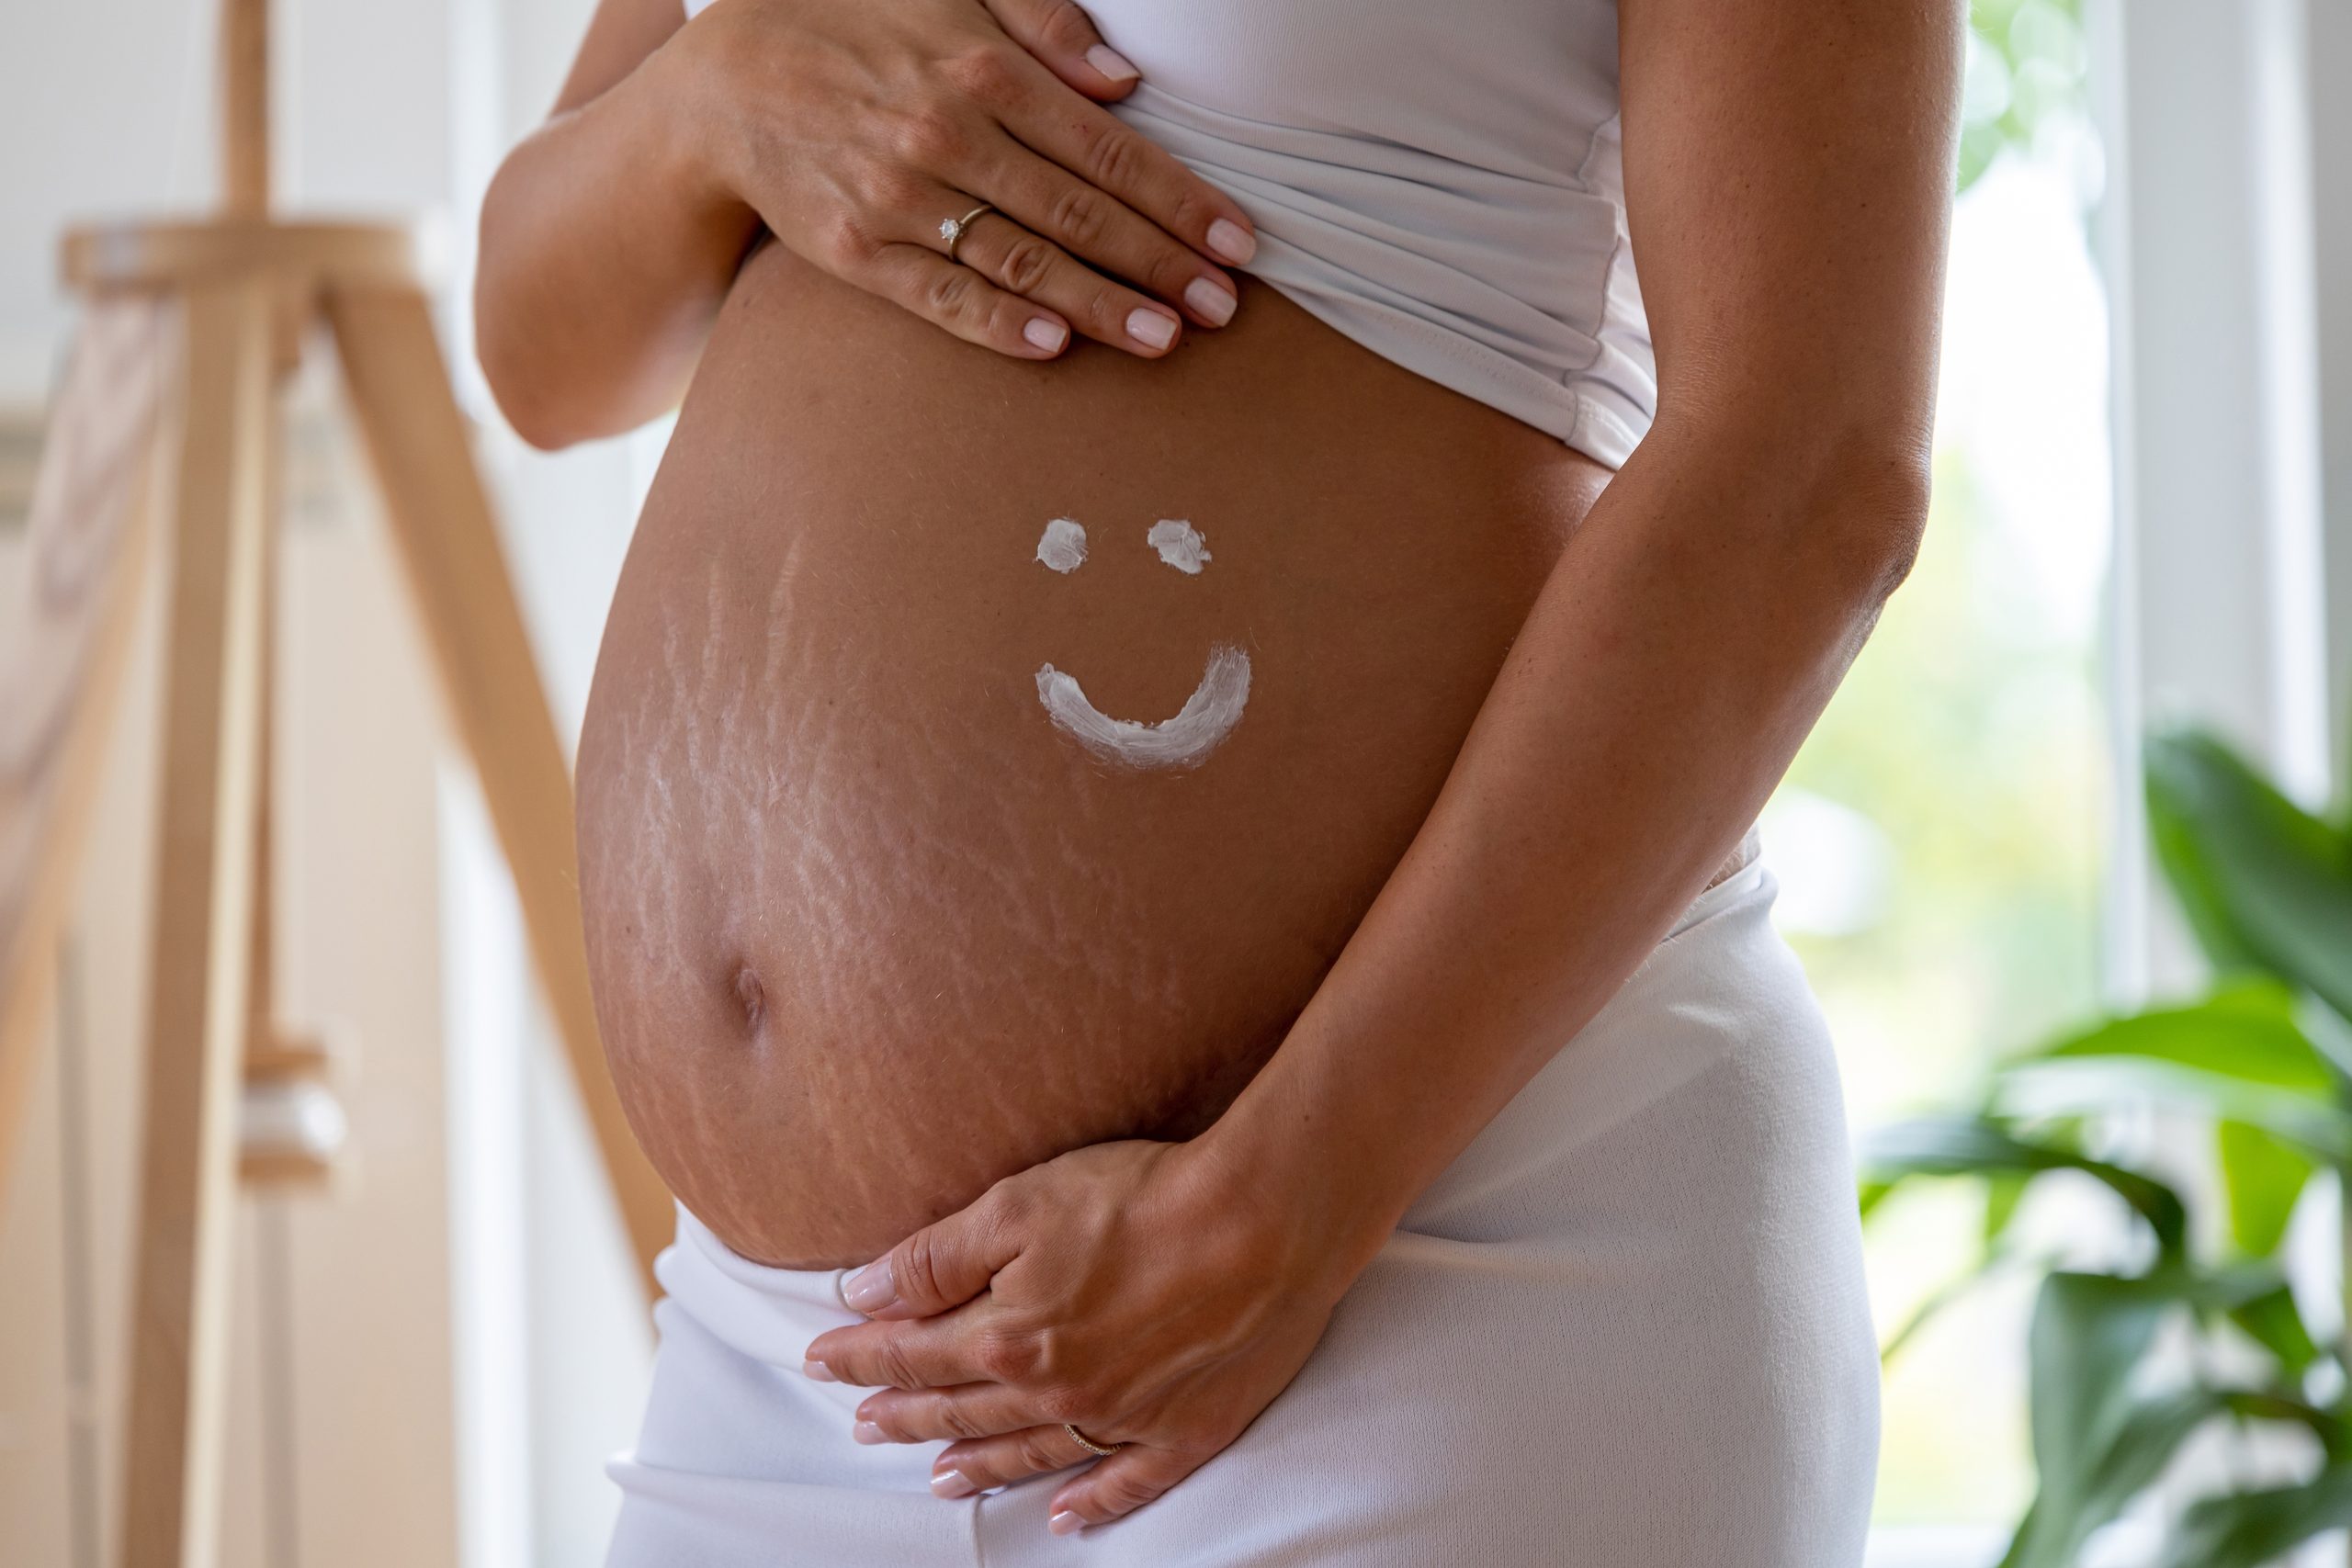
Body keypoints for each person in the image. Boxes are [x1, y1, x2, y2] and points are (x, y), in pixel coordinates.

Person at [475, 0, 1958, 1560]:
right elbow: (540, 352)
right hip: (793, 1371)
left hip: (1415, 1274)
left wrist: (1292, 1203)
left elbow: (1812, 471)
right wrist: (711, 97)